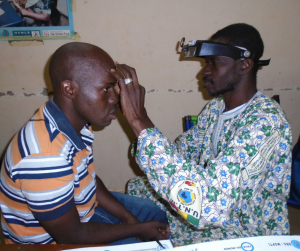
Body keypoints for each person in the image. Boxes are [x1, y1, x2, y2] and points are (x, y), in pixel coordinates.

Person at [110, 23, 292, 246]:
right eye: (207, 63)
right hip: (216, 206)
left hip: (243, 229)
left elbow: (209, 205)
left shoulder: (265, 122)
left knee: (131, 227)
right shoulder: (215, 109)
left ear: (244, 65)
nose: (204, 71)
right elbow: (179, 154)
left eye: (214, 63)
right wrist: (141, 120)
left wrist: (140, 122)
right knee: (137, 188)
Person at [0, 42, 169, 245]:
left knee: (153, 215)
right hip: (53, 244)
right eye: (106, 88)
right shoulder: (43, 157)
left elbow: (88, 180)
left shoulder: (77, 124)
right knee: (149, 237)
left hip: (82, 212)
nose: (115, 98)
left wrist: (129, 221)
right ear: (69, 89)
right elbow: (72, 236)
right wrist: (137, 230)